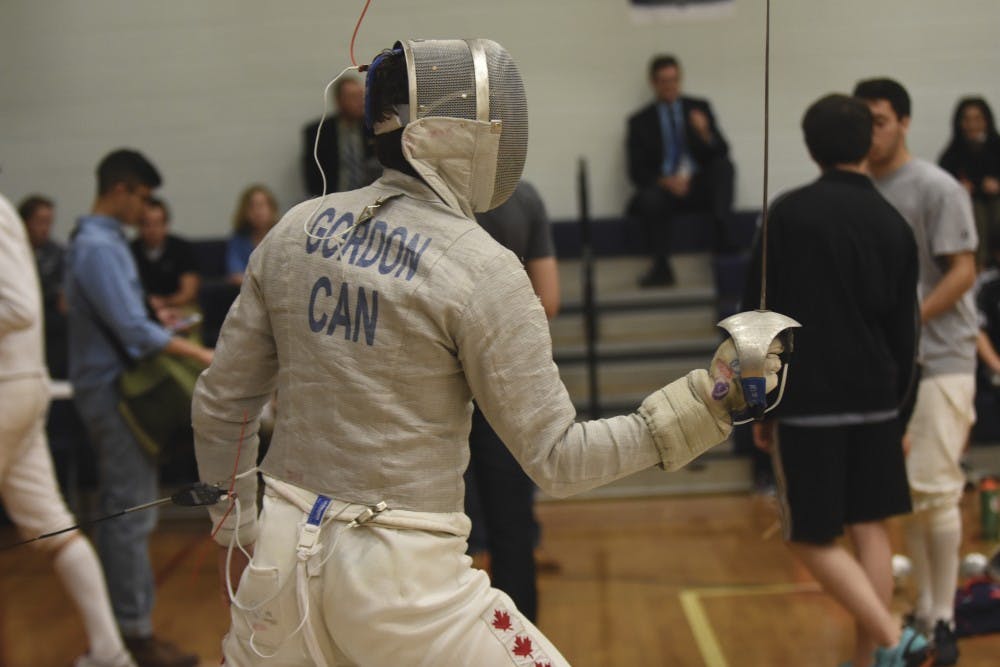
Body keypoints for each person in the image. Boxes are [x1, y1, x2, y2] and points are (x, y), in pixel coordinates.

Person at [193, 38, 783, 666]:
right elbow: (558, 459)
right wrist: (713, 404)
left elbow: (221, 403)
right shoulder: (482, 268)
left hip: (275, 577)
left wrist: (243, 532)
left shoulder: (296, 228)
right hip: (406, 588)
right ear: (454, 137)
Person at [745, 94, 927, 667]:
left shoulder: (787, 215)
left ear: (809, 145)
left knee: (806, 535)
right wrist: (900, 411)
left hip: (808, 405)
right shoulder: (892, 221)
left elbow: (757, 316)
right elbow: (908, 330)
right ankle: (870, 659)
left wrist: (759, 404)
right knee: (870, 527)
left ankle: (893, 638)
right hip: (877, 399)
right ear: (865, 142)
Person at [66, 149, 212, 667]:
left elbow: (127, 316)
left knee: (118, 512)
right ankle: (134, 634)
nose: (144, 209)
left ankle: (119, 627)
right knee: (129, 514)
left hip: (110, 387)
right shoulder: (98, 247)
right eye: (143, 198)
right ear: (123, 189)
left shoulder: (99, 244)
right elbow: (129, 332)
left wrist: (156, 314)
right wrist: (196, 351)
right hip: (116, 392)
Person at [855, 78, 979, 667]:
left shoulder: (935, 186)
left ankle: (944, 616)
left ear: (903, 121)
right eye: (864, 121)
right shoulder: (859, 190)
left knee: (936, 489)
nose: (871, 130)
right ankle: (928, 613)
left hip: (944, 357)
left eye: (879, 120)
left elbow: (963, 272)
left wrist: (905, 318)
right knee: (913, 499)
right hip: (889, 367)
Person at [2, 192, 137, 667]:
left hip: (6, 390)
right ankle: (109, 652)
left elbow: (18, 307)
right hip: (20, 390)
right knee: (54, 528)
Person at [464, 179, 560, 622]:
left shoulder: (412, 196)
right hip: (506, 383)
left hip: (432, 391)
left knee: (439, 530)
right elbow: (549, 300)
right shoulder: (524, 198)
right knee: (513, 528)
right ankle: (518, 646)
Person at [626, 54, 735, 287]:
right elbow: (636, 172)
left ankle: (722, 240)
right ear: (654, 83)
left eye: (674, 80)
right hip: (664, 188)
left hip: (696, 184)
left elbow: (721, 152)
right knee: (649, 198)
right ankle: (662, 267)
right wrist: (666, 182)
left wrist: (705, 133)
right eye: (664, 81)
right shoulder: (640, 121)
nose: (670, 86)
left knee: (724, 168)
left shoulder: (698, 108)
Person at [938, 97, 1000, 268]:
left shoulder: (997, 146)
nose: (972, 124)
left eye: (977, 119)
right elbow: (943, 183)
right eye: (967, 119)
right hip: (968, 207)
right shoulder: (952, 153)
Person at [302, 75, 380, 197]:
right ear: (339, 100)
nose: (360, 101)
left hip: (369, 197)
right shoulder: (319, 132)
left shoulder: (374, 128)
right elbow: (312, 175)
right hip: (332, 198)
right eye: (353, 97)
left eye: (362, 96)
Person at [19, 194, 69, 378]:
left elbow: (64, 301)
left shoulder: (58, 253)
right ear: (24, 222)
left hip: (50, 321)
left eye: (49, 222)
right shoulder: (11, 252)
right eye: (40, 222)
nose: (45, 228)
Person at [130, 197, 201, 322]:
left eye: (157, 223)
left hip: (179, 307)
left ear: (166, 225)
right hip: (141, 310)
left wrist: (164, 302)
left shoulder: (182, 248)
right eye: (146, 224)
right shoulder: (129, 251)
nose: (152, 230)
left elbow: (189, 292)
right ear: (138, 225)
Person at [225, 184, 278, 285]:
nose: (257, 212)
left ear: (272, 208)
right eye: (252, 207)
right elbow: (236, 274)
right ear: (244, 211)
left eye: (262, 205)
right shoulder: (238, 239)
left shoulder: (284, 237)